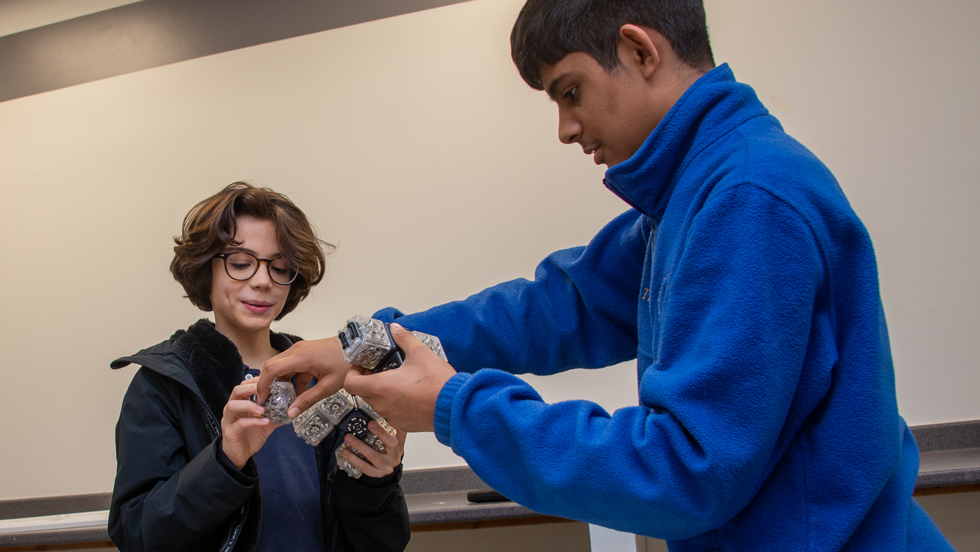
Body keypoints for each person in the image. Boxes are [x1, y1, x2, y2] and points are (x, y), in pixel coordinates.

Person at [259, 0, 954, 549]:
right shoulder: (692, 193)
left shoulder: (745, 198)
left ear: (638, 50)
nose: (565, 127)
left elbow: (686, 471)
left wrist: (452, 406)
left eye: (570, 92)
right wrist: (369, 343)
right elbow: (561, 307)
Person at [109, 182, 410, 552]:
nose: (263, 280)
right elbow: (138, 536)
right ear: (206, 270)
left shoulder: (325, 378)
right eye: (240, 264)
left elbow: (384, 543)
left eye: (281, 267)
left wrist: (377, 481)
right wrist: (224, 463)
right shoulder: (164, 385)